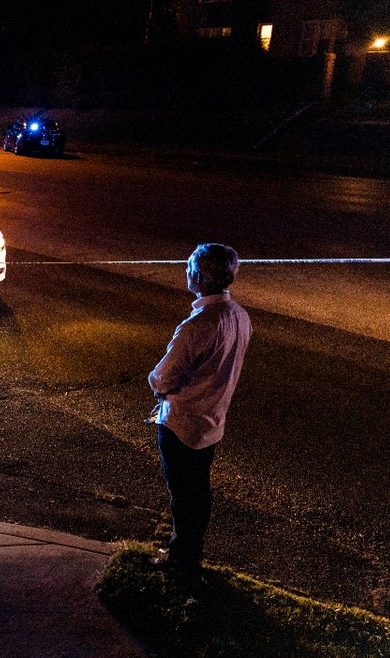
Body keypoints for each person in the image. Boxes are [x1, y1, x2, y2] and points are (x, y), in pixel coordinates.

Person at [147, 243, 252, 572]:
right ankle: (191, 552)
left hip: (182, 423)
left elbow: (163, 376)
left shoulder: (198, 325)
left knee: (182, 495)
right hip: (212, 422)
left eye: (190, 267)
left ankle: (181, 559)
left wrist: (156, 382)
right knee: (199, 492)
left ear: (200, 277)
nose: (186, 272)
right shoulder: (239, 316)